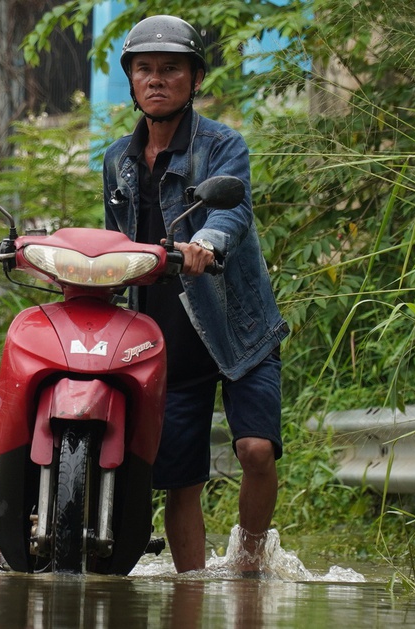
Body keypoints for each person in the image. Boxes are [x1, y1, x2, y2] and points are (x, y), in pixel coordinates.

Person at [102, 16, 289, 574]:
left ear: (195, 77)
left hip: (237, 327)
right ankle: (193, 590)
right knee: (180, 481)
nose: (156, 80)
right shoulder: (117, 159)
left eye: (170, 69)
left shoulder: (222, 145)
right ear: (132, 81)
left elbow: (232, 210)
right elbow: (116, 237)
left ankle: (251, 563)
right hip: (164, 335)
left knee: (255, 450)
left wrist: (202, 244)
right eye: (144, 69)